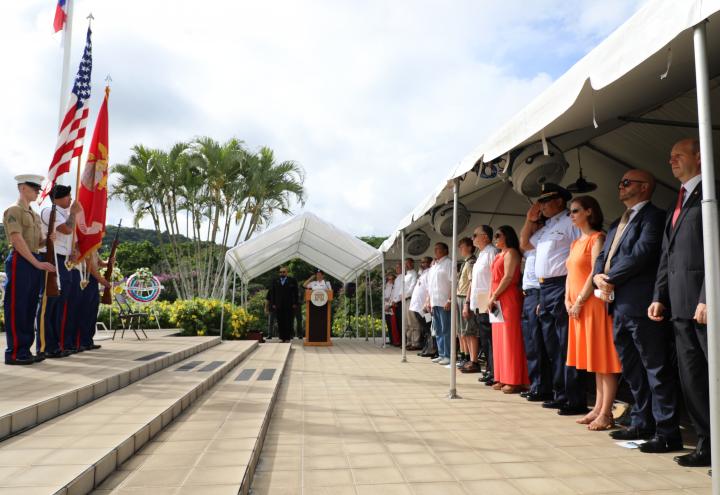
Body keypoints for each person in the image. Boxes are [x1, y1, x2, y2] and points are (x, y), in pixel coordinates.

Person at [593, 169, 682, 453]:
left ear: (644, 187)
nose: (620, 186)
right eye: (621, 181)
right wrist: (597, 274)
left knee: (655, 367)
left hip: (642, 304)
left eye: (626, 182)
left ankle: (667, 430)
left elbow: (642, 254)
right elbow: (603, 256)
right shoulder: (618, 221)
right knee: (632, 368)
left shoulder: (653, 217)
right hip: (618, 305)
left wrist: (608, 278)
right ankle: (642, 421)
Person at [649, 138, 710, 466]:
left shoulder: (710, 193)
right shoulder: (679, 199)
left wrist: (708, 297)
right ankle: (707, 444)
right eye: (670, 156)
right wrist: (659, 295)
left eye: (678, 156)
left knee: (711, 377)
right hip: (679, 306)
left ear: (699, 158)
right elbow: (667, 253)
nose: (671, 161)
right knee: (693, 380)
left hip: (703, 307)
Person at [520, 183, 586, 415]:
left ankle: (574, 396)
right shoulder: (548, 227)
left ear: (560, 201)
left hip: (562, 285)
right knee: (551, 345)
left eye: (546, 201)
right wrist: (530, 219)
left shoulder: (570, 222)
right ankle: (560, 393)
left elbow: (582, 252)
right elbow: (525, 244)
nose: (542, 206)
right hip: (545, 288)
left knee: (565, 343)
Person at [565, 196, 621, 431]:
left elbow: (595, 273)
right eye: (570, 211)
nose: (572, 215)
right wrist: (567, 299)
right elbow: (570, 273)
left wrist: (579, 300)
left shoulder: (598, 238)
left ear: (589, 212)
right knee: (594, 360)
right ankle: (598, 408)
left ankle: (606, 412)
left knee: (603, 359)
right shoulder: (576, 242)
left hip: (592, 304)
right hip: (578, 306)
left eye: (575, 210)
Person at [3, 174, 56, 365]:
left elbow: (35, 242)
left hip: (33, 260)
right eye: (34, 188)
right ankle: (14, 352)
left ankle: (24, 350)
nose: (37, 192)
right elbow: (17, 240)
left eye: (38, 188)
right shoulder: (13, 211)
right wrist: (36, 262)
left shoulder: (33, 214)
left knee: (29, 307)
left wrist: (47, 239)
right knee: (18, 307)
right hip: (21, 261)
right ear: (22, 188)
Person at [36, 184, 81, 359]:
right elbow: (66, 229)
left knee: (60, 305)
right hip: (51, 257)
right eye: (68, 196)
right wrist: (73, 213)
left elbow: (71, 237)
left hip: (63, 259)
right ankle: (45, 345)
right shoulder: (50, 210)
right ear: (58, 198)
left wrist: (74, 250)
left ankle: (56, 344)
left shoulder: (64, 213)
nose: (70, 200)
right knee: (51, 303)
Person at [487, 226, 528, 393]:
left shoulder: (512, 252)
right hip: (496, 299)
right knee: (498, 338)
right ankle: (502, 376)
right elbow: (493, 279)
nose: (496, 238)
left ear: (507, 236)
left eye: (498, 235)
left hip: (508, 297)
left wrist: (494, 295)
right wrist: (491, 297)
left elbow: (509, 277)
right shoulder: (498, 255)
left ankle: (514, 379)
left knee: (510, 338)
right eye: (495, 236)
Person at [519, 219, 552, 401]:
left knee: (539, 344)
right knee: (531, 344)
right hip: (529, 294)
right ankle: (536, 384)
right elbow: (522, 243)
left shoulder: (544, 238)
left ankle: (542, 387)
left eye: (534, 223)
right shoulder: (534, 239)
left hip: (539, 292)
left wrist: (542, 296)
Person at [467, 225, 498, 382]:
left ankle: (494, 371)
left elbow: (495, 277)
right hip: (480, 299)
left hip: (488, 299)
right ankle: (490, 370)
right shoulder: (481, 254)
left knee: (490, 338)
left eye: (475, 235)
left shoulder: (492, 252)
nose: (472, 238)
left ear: (485, 236)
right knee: (484, 338)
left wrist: (491, 299)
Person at [77, 250, 112, 350]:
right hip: (86, 278)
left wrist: (109, 262)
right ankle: (82, 341)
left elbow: (100, 264)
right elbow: (90, 267)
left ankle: (88, 340)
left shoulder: (94, 248)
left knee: (93, 311)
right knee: (86, 311)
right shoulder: (88, 245)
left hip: (94, 280)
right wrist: (102, 280)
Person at [425, 243, 453, 365]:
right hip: (435, 301)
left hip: (444, 301)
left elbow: (453, 283)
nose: (435, 250)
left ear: (445, 250)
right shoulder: (435, 266)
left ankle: (448, 355)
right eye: (434, 248)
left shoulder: (449, 263)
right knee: (438, 329)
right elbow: (430, 286)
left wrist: (450, 299)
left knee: (446, 329)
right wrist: (429, 300)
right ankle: (441, 353)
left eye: (438, 248)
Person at [456, 237, 476, 370]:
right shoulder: (465, 262)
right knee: (461, 331)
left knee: (469, 331)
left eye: (462, 246)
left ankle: (472, 359)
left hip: (465, 297)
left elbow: (471, 283)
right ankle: (465, 356)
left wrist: (467, 303)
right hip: (459, 296)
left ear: (469, 247)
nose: (460, 249)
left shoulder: (471, 262)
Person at [266, 266, 299, 342]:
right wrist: (273, 303)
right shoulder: (275, 281)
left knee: (288, 321)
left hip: (289, 304)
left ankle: (287, 338)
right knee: (280, 321)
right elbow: (272, 293)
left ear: (287, 272)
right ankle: (282, 338)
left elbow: (296, 293)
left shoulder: (292, 280)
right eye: (280, 272)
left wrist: (295, 303)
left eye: (284, 272)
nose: (282, 273)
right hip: (278, 305)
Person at [411, 257, 435, 357]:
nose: (422, 263)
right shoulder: (423, 273)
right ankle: (426, 347)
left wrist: (427, 302)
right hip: (417, 307)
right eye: (421, 262)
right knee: (424, 329)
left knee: (428, 328)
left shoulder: (430, 273)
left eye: (424, 262)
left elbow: (430, 288)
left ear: (429, 263)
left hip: (424, 308)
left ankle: (431, 349)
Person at [401, 259, 419, 349]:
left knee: (413, 322)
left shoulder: (414, 274)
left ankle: (415, 342)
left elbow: (412, 287)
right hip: (404, 299)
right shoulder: (406, 275)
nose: (406, 265)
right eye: (405, 264)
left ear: (412, 263)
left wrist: (404, 295)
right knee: (406, 322)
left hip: (410, 299)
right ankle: (408, 341)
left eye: (408, 263)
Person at [383, 272, 399, 346]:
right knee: (388, 325)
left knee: (393, 325)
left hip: (391, 307)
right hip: (386, 307)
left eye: (392, 279)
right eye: (388, 279)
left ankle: (395, 340)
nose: (390, 280)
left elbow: (392, 297)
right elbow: (385, 297)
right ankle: (391, 339)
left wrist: (388, 305)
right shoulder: (386, 286)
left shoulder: (394, 286)